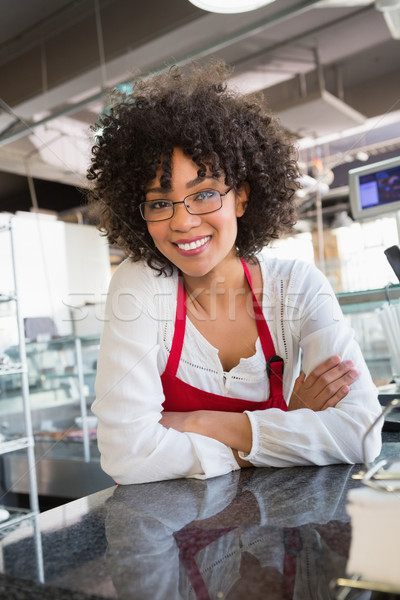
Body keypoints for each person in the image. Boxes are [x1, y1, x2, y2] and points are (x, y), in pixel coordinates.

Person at [87, 61, 382, 484]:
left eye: (204, 194)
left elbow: (362, 434)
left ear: (241, 197)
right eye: (158, 202)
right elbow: (127, 456)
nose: (183, 222)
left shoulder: (297, 286)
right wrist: (286, 425)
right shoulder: (139, 283)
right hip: (174, 544)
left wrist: (196, 423)